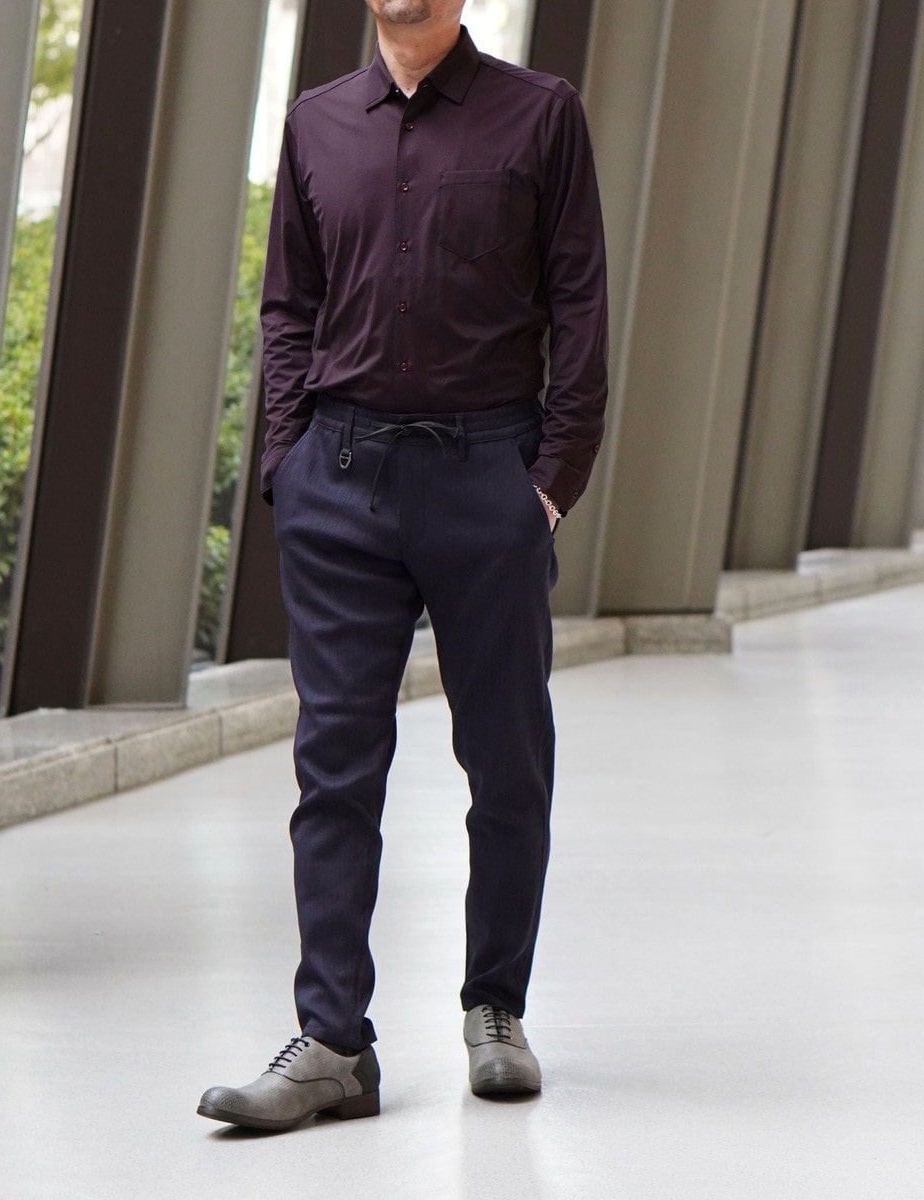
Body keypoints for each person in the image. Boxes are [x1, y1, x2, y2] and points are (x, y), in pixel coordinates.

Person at [198, 0, 607, 1132]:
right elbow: (289, 307)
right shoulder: (316, 122)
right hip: (339, 480)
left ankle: (496, 1009)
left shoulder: (542, 116)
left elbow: (580, 306)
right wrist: (288, 462)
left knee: (507, 759)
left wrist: (548, 484)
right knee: (333, 767)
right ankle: (333, 1042)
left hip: (488, 480)